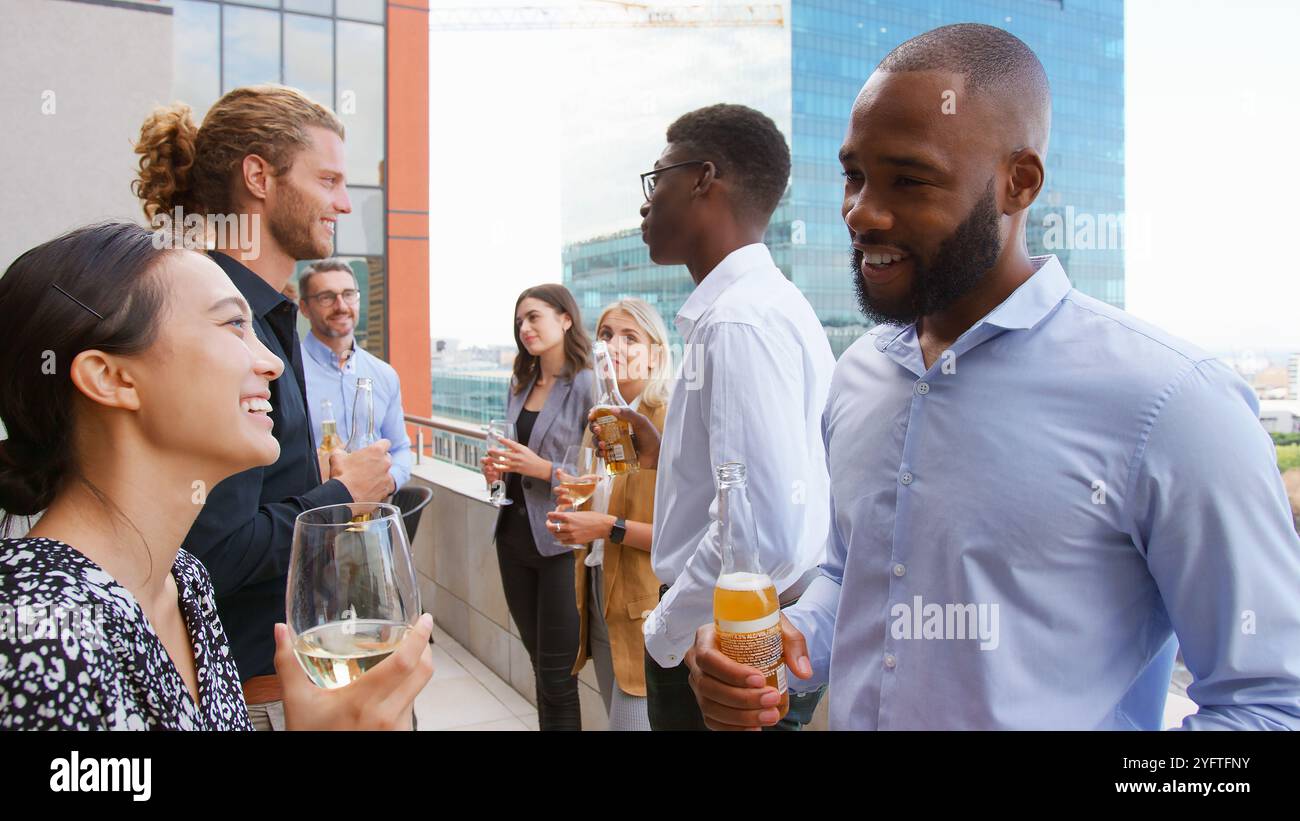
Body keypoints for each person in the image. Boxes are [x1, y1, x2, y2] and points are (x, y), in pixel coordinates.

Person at [685, 24, 1300, 730]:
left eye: (908, 179)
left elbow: (1269, 706)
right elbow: (847, 576)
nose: (861, 212)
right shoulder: (858, 378)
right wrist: (784, 640)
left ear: (1019, 182)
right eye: (854, 176)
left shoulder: (1175, 404)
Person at [0, 221, 434, 730]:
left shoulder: (183, 580)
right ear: (111, 378)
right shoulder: (35, 635)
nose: (272, 363)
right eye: (233, 326)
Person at [133, 85, 396, 730]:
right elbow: (210, 554)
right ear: (259, 176)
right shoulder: (219, 322)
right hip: (250, 690)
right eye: (329, 178)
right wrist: (340, 494)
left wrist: (312, 474)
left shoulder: (266, 317)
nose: (342, 201)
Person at [602, 104, 836, 730]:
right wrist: (667, 453)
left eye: (658, 180)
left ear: (705, 178)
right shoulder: (767, 305)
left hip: (724, 638)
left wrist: (665, 629)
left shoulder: (736, 320)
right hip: (737, 627)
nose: (645, 205)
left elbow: (763, 538)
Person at [546, 298, 672, 731]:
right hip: (599, 595)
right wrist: (579, 513)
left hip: (647, 608)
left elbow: (684, 536)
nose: (612, 346)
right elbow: (597, 499)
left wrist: (604, 526)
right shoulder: (599, 419)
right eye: (605, 335)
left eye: (630, 337)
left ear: (656, 353)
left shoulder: (669, 420)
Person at [479, 284, 594, 730]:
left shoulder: (587, 383)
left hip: (560, 547)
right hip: (512, 540)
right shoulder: (521, 381)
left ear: (566, 318)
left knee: (558, 677)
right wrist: (497, 472)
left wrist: (544, 469)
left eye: (534, 317)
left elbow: (602, 477)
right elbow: (512, 455)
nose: (524, 328)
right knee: (539, 670)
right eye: (519, 321)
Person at [297, 258, 412, 489]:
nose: (341, 306)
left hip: (370, 521)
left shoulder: (385, 375)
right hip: (311, 515)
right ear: (304, 308)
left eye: (348, 294)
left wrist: (387, 483)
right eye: (327, 297)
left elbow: (400, 449)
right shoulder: (286, 371)